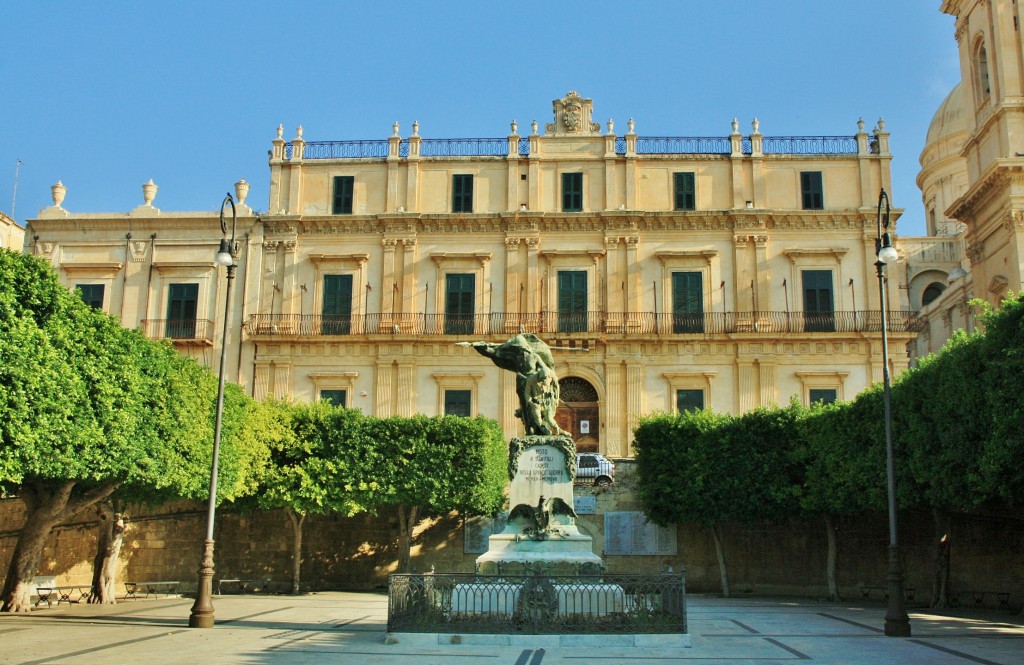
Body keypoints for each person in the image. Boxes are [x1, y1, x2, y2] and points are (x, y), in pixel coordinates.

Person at [457, 333, 569, 437]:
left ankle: (542, 429)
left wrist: (547, 378)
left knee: (540, 410)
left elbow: (545, 369)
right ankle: (530, 429)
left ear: (526, 347)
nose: (521, 349)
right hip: (522, 382)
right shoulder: (516, 356)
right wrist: (482, 347)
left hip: (533, 383)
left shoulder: (535, 356)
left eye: (521, 347)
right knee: (525, 406)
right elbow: (496, 352)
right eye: (519, 348)